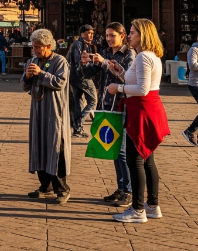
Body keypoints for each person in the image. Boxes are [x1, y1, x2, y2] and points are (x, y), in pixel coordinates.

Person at [107, 19, 170, 223]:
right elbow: (141, 82)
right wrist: (121, 73)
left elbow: (142, 89)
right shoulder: (152, 56)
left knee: (135, 161)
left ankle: (137, 209)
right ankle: (152, 205)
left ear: (143, 35)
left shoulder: (143, 56)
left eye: (133, 32)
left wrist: (119, 88)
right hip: (149, 108)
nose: (130, 35)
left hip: (142, 110)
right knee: (148, 159)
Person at [81, 22, 135, 207]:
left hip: (122, 104)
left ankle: (129, 191)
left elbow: (127, 76)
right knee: (112, 148)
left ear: (122, 35)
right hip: (106, 104)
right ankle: (121, 187)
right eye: (107, 35)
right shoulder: (107, 52)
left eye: (113, 35)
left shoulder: (129, 54)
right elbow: (89, 74)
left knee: (122, 151)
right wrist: (87, 64)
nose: (109, 39)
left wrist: (104, 62)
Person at [21, 28, 72, 204]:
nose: (35, 50)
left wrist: (41, 73)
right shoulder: (33, 60)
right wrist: (27, 77)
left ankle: (62, 189)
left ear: (48, 46)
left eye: (38, 47)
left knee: (55, 147)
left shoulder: (60, 61)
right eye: (33, 47)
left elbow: (60, 82)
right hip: (37, 111)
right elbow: (24, 85)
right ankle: (45, 186)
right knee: (39, 145)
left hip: (55, 112)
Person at [67, 24, 98, 138]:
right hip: (82, 76)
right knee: (93, 101)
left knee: (78, 103)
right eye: (88, 33)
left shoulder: (85, 45)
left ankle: (77, 129)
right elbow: (78, 61)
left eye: (92, 33)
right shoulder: (79, 44)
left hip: (75, 77)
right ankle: (79, 122)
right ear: (82, 33)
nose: (91, 35)